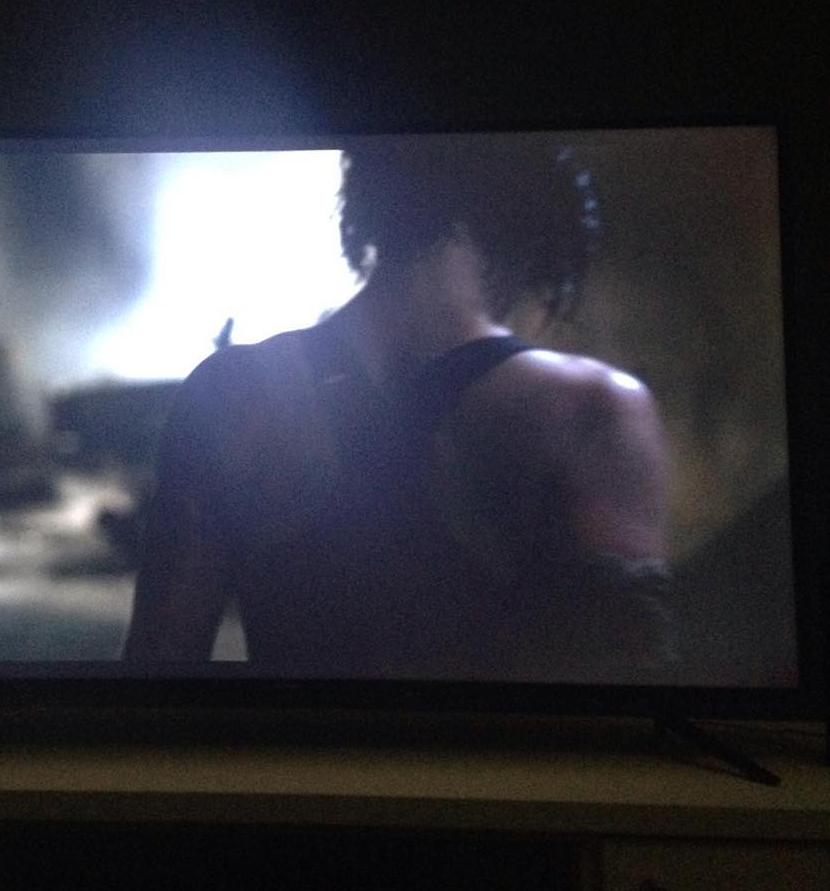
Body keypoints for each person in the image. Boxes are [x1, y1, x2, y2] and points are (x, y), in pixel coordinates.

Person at [123, 138, 675, 683]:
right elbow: (631, 693)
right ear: (528, 221)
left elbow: (155, 673)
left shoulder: (229, 394)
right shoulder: (592, 407)